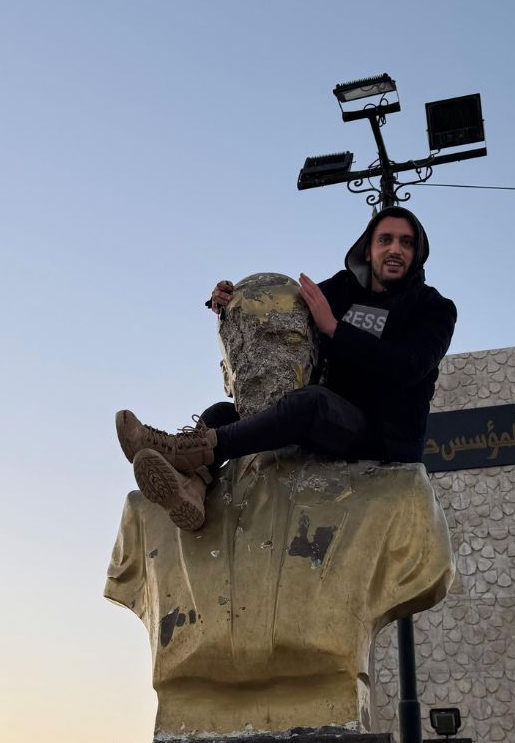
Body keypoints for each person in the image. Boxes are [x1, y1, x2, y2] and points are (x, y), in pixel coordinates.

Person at [115, 205, 457, 529]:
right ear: (368, 250)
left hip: (379, 437)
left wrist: (335, 330)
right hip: (325, 420)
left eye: (406, 243)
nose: (395, 249)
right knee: (224, 412)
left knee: (310, 402)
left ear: (417, 253)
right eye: (385, 240)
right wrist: (230, 302)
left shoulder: (434, 309)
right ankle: (191, 486)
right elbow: (282, 308)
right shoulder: (343, 288)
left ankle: (188, 451)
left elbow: (408, 367)